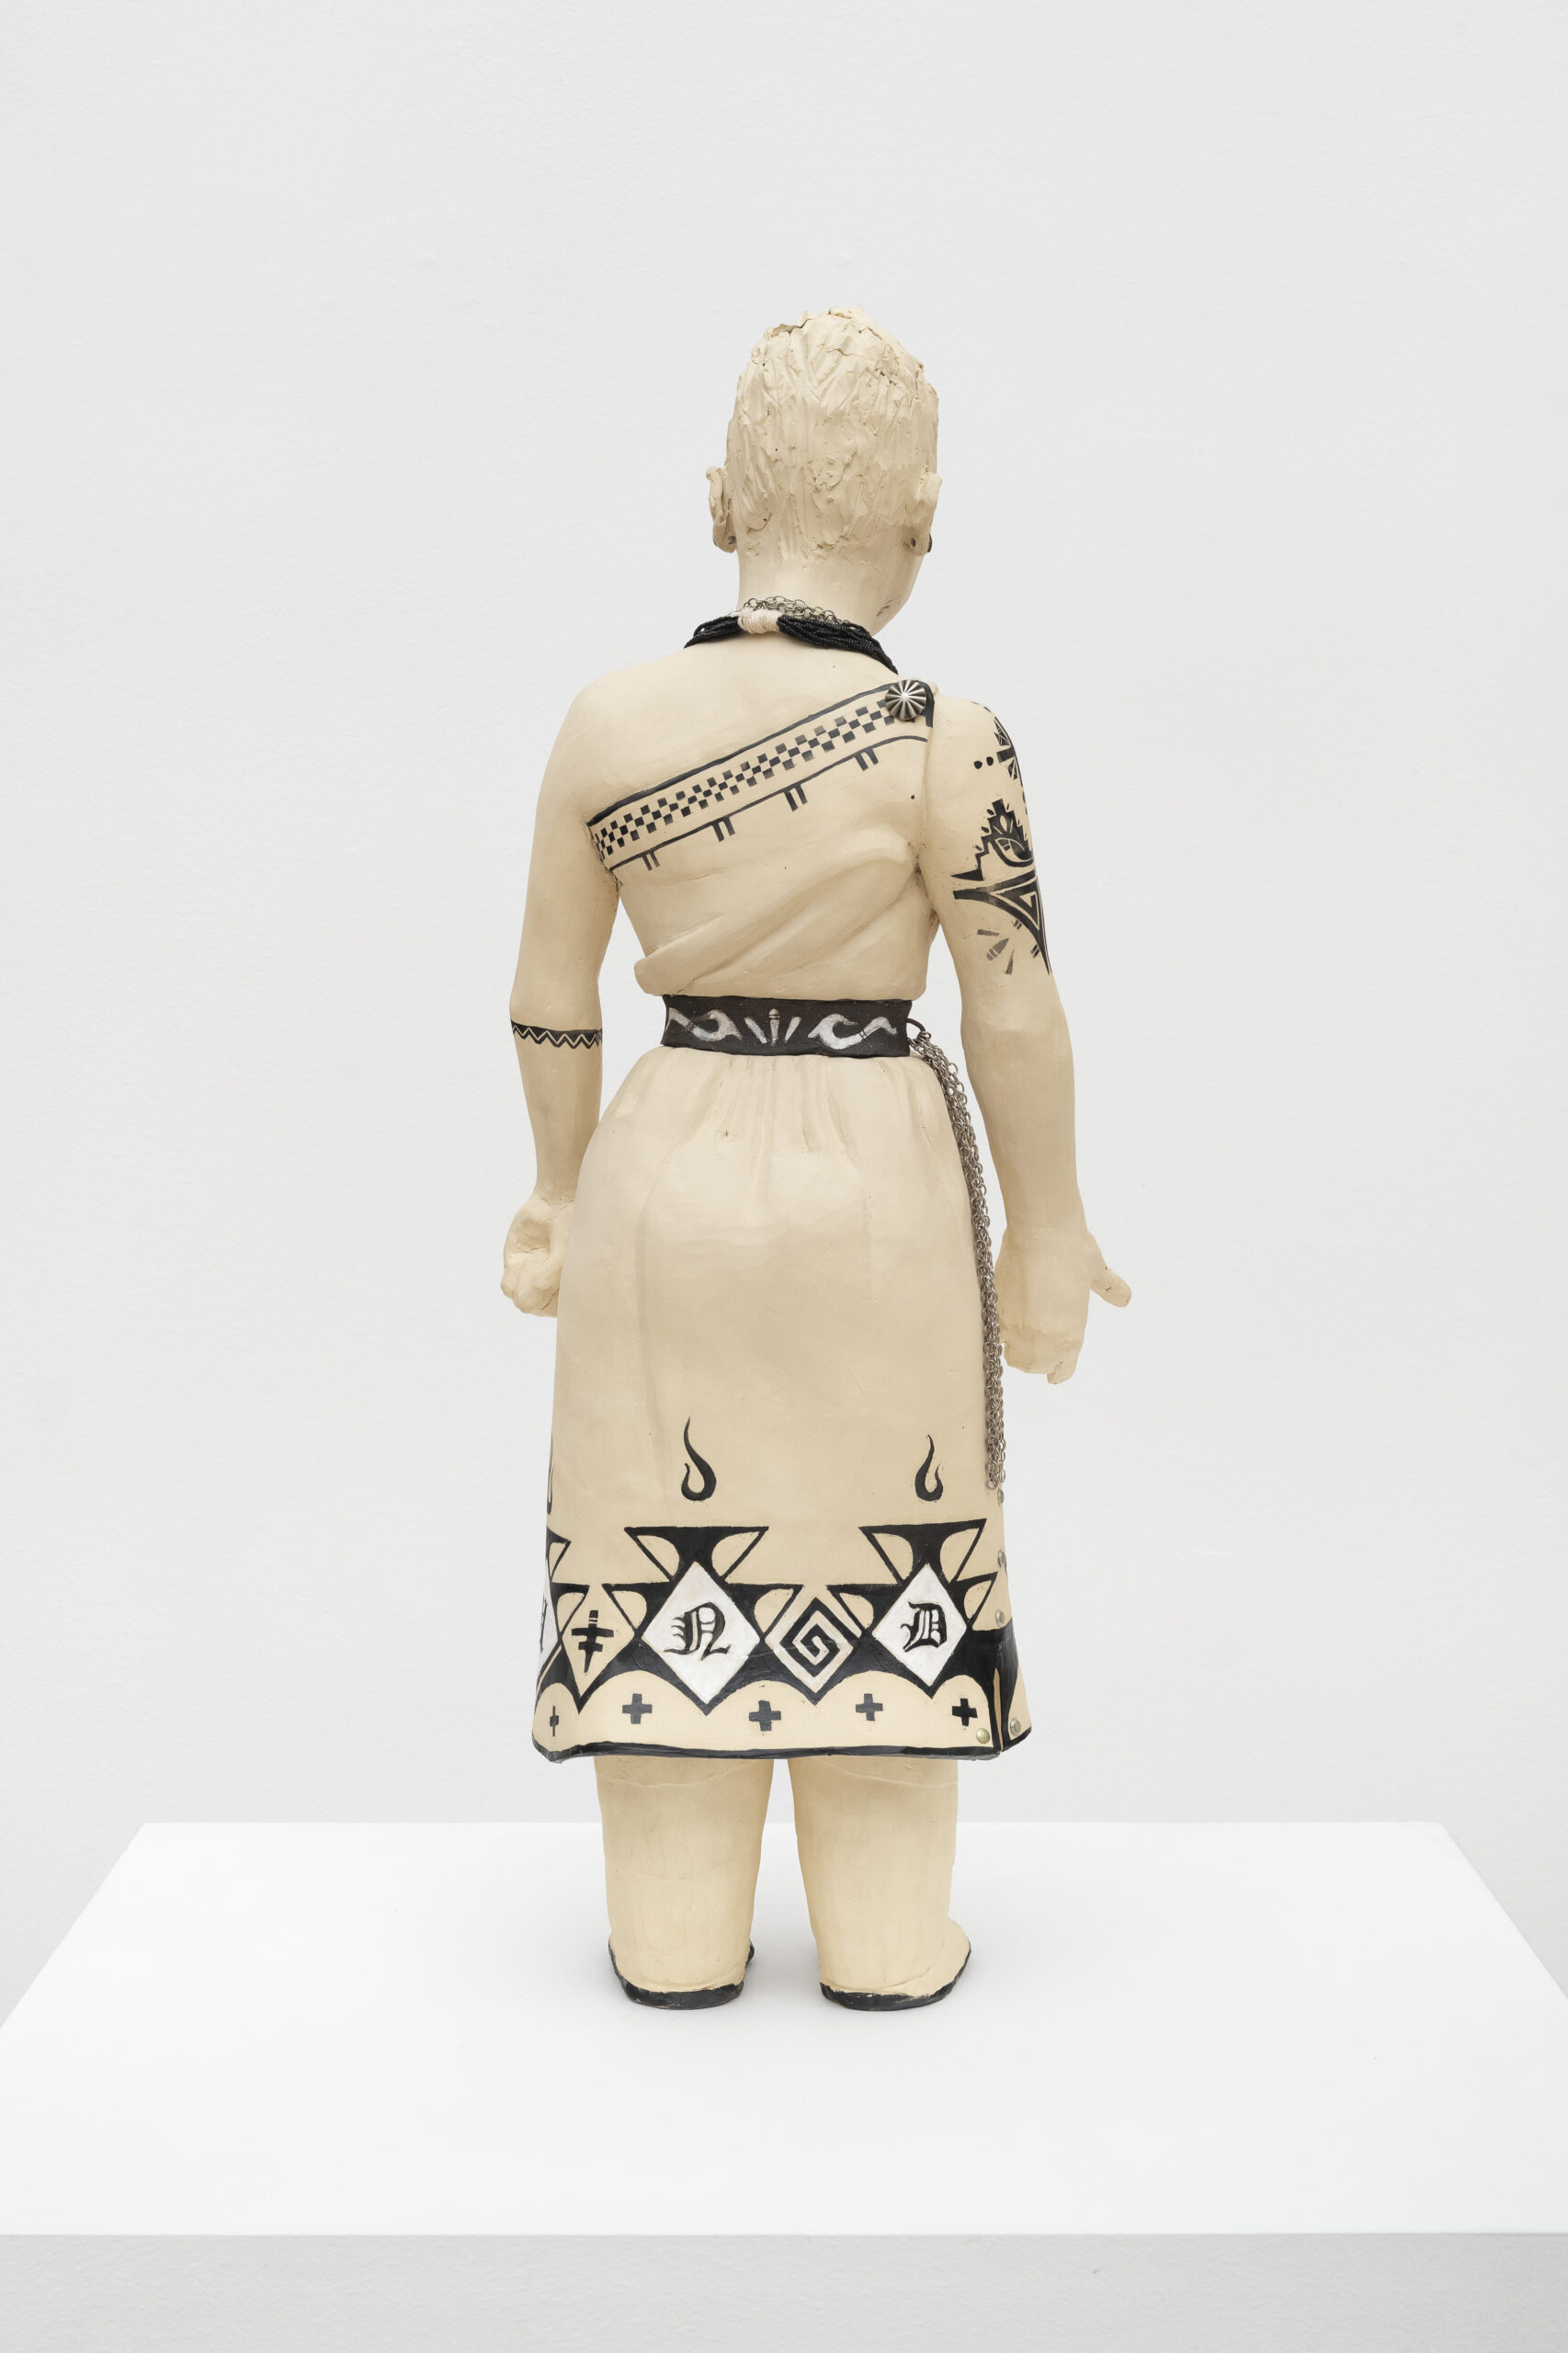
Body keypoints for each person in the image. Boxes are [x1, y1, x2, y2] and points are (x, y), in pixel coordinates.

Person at [503, 308, 1128, 2011]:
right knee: (883, 1521)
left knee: (658, 1521)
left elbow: (551, 1000)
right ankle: (883, 1940)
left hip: (664, 1163)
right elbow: (1012, 1005)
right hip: (875, 1179)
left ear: (721, 501)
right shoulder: (946, 736)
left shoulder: (605, 722)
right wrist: (1046, 1228)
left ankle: (672, 1936)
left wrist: (555, 1188)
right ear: (921, 518)